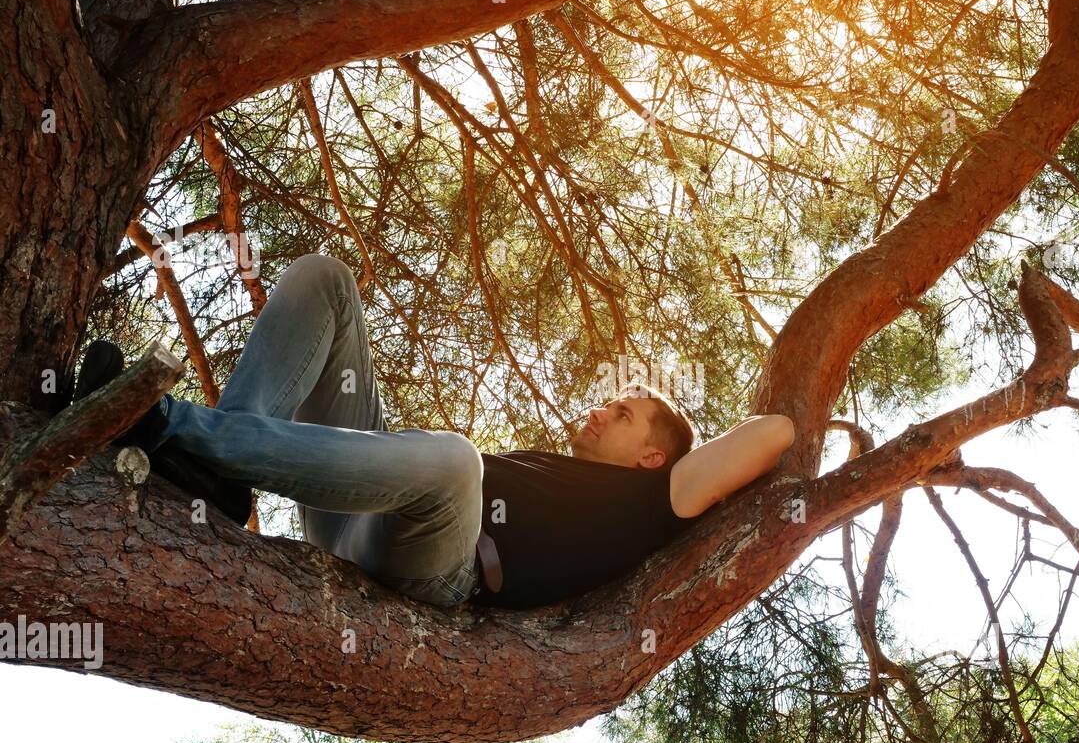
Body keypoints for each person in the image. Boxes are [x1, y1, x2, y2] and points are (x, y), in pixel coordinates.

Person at [73, 254, 796, 609]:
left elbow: (775, 433)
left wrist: (825, 431)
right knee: (326, 279)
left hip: (435, 563)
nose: (604, 408)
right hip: (360, 507)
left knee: (456, 463)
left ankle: (160, 419)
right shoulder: (563, 468)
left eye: (626, 412)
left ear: (651, 455)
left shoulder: (655, 503)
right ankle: (220, 469)